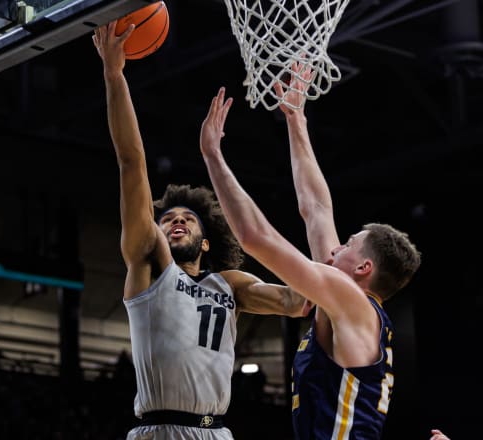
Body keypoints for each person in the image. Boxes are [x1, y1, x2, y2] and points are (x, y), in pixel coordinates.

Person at [91, 21, 310, 440]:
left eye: (187, 219)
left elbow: (296, 299)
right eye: (167, 218)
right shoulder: (150, 266)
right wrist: (114, 76)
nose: (176, 220)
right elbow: (131, 163)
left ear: (205, 241)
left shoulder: (229, 285)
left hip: (217, 432)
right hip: (159, 429)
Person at [199, 75, 421, 440]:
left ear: (364, 268)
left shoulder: (350, 301)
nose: (335, 248)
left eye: (348, 245)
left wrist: (213, 157)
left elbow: (256, 238)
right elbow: (316, 209)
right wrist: (295, 117)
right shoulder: (346, 305)